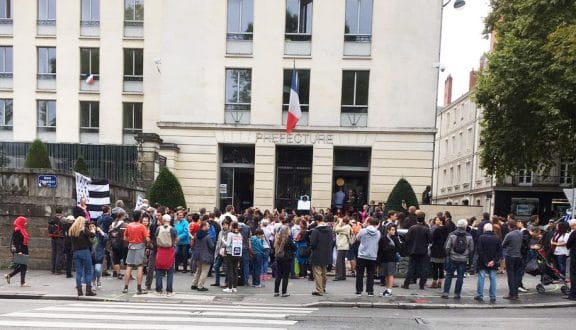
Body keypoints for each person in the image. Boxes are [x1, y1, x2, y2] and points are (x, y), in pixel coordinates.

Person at [442, 219, 474, 299]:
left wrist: (448, 255)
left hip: (452, 258)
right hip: (463, 259)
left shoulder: (452, 234)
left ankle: (446, 292)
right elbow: (471, 248)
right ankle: (457, 294)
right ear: (465, 226)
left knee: (449, 275)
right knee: (460, 276)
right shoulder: (469, 236)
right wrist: (468, 257)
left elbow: (447, 247)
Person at [122, 212, 150, 294]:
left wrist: (131, 241)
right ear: (140, 217)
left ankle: (126, 287)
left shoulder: (129, 225)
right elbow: (147, 239)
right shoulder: (142, 226)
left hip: (131, 246)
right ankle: (139, 288)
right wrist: (148, 244)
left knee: (129, 266)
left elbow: (125, 237)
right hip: (140, 247)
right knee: (140, 267)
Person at [402, 211, 431, 289]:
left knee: (411, 268)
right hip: (423, 251)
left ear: (416, 219)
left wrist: (408, 248)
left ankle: (406, 284)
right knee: (423, 268)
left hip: (413, 250)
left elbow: (407, 239)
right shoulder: (426, 229)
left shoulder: (412, 228)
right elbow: (429, 240)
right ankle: (422, 285)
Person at [69, 216, 96, 296]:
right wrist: (93, 230)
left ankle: (79, 290)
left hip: (76, 252)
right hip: (85, 252)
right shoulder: (84, 229)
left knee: (78, 272)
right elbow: (92, 235)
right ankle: (88, 290)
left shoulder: (72, 230)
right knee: (88, 272)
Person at [475, 223, 502, 303]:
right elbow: (499, 252)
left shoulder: (481, 238)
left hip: (483, 261)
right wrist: (493, 261)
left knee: (481, 278)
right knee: (493, 278)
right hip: (493, 262)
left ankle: (480, 295)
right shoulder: (497, 238)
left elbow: (480, 251)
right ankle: (492, 296)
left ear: (484, 229)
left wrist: (486, 261)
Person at [355, 217, 381, 297]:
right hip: (372, 255)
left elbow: (357, 238)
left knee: (360, 274)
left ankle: (359, 290)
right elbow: (378, 240)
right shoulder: (378, 233)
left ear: (369, 223)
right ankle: (370, 291)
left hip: (362, 255)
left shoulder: (363, 231)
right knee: (370, 274)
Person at [309, 214, 333, 296]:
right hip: (326, 253)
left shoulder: (316, 230)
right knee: (324, 272)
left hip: (317, 253)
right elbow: (331, 242)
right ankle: (323, 287)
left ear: (316, 221)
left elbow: (312, 243)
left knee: (317, 272)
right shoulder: (329, 229)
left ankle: (319, 290)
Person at [155, 214, 178, 296]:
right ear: (169, 220)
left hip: (160, 250)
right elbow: (176, 239)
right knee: (170, 271)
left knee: (159, 271)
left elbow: (155, 237)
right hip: (169, 251)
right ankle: (169, 291)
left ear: (163, 220)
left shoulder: (158, 228)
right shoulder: (173, 229)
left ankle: (158, 290)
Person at [5, 216, 30, 287]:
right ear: (21, 222)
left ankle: (9, 276)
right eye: (24, 222)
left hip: (24, 249)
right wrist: (19, 251)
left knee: (23, 266)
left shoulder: (22, 229)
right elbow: (16, 242)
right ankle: (22, 283)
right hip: (21, 250)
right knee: (24, 266)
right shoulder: (17, 230)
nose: (26, 223)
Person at [502, 219, 523, 300]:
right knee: (517, 275)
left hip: (510, 255)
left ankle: (512, 294)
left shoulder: (509, 235)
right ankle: (516, 293)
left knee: (510, 275)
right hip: (518, 256)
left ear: (509, 226)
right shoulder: (520, 233)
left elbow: (503, 245)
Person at [191, 221, 215, 291]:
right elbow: (212, 246)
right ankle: (200, 286)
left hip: (197, 255)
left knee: (198, 270)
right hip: (205, 255)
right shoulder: (207, 236)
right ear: (204, 226)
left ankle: (194, 284)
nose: (209, 227)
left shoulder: (196, 235)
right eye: (208, 226)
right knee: (204, 271)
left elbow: (194, 244)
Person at [273, 225, 296, 297]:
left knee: (278, 275)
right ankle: (284, 292)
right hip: (287, 259)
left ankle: (276, 291)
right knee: (285, 276)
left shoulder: (277, 239)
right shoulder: (288, 240)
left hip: (279, 258)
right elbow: (295, 248)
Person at [377, 224, 400, 297]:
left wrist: (391, 249)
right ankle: (387, 289)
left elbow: (398, 248)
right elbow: (379, 249)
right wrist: (378, 260)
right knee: (386, 275)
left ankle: (389, 290)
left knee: (390, 274)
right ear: (388, 230)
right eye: (392, 230)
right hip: (384, 259)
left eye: (394, 230)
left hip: (392, 259)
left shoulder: (395, 239)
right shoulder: (383, 238)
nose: (394, 231)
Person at [429, 216, 449, 289]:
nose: (436, 221)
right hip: (443, 250)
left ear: (441, 221)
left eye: (437, 220)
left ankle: (434, 282)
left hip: (436, 250)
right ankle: (440, 282)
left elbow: (431, 239)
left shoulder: (437, 230)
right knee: (441, 267)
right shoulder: (447, 229)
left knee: (435, 267)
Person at [223, 222, 242, 293]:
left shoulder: (230, 234)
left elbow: (228, 244)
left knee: (230, 270)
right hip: (237, 253)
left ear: (232, 226)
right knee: (235, 270)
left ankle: (230, 287)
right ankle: (234, 287)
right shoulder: (239, 234)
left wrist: (223, 240)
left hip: (230, 253)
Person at [212, 217, 231, 288]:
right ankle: (217, 281)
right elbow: (218, 242)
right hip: (220, 252)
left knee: (226, 268)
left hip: (226, 252)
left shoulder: (230, 233)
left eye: (226, 225)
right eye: (223, 225)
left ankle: (226, 282)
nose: (224, 226)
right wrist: (216, 252)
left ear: (228, 225)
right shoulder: (220, 232)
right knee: (216, 266)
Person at [109, 211, 127, 279]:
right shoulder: (124, 225)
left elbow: (109, 235)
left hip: (114, 244)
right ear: (122, 216)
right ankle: (128, 274)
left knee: (116, 260)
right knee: (126, 260)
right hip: (123, 244)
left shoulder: (112, 225)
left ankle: (118, 273)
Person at [89, 222, 108, 289]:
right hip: (90, 255)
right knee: (92, 270)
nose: (92, 228)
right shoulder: (88, 235)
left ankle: (99, 280)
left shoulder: (99, 235)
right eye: (90, 226)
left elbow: (106, 238)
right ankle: (93, 283)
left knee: (97, 269)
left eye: (93, 226)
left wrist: (100, 230)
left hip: (99, 255)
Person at [48, 207, 65, 275]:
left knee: (54, 253)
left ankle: (52, 269)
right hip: (60, 237)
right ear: (61, 212)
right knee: (59, 254)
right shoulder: (62, 219)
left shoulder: (52, 219)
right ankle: (58, 269)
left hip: (53, 237)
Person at [333, 217, 352, 281]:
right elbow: (334, 229)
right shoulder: (345, 227)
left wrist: (339, 223)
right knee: (341, 261)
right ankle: (342, 275)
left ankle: (339, 276)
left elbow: (336, 230)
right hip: (342, 245)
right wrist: (337, 223)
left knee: (339, 261)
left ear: (344, 222)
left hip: (342, 246)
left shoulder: (346, 227)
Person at [564, 219, 576, 301]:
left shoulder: (574, 233)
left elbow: (568, 244)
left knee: (574, 275)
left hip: (575, 256)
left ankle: (573, 294)